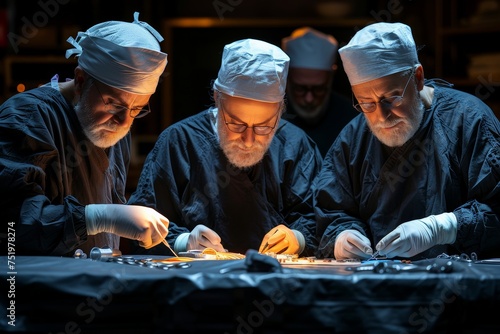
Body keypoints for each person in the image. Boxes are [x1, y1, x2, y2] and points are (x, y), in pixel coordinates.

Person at [314, 22, 500, 261]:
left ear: (418, 77)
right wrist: (342, 235)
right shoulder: (354, 138)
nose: (382, 117)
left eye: (391, 98)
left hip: (461, 287)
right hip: (378, 286)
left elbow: (496, 209)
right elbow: (332, 210)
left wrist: (443, 228)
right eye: (367, 104)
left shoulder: (468, 121)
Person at [127, 38, 322, 256]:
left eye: (264, 127)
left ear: (280, 111)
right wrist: (183, 242)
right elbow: (138, 227)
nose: (248, 140)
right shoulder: (180, 142)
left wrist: (299, 238)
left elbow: (321, 220)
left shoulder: (295, 146)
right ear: (217, 98)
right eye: (237, 124)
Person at [0, 12, 170, 256]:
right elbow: (12, 227)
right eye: (113, 103)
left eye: (137, 108)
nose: (124, 121)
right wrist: (95, 217)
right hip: (34, 287)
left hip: (91, 283)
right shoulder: (28, 118)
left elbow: (118, 215)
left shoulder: (113, 127)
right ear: (80, 80)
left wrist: (176, 239)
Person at [281, 27, 356, 157]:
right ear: (287, 80)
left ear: (330, 80)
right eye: (300, 89)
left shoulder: (352, 119)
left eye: (318, 89)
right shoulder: (270, 118)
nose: (309, 99)